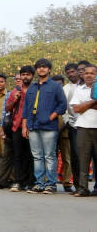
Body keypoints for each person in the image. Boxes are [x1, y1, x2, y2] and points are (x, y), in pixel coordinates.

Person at [22, 58, 67, 194]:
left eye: (44, 67)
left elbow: (62, 105)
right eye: (39, 67)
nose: (41, 69)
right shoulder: (32, 88)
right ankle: (39, 183)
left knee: (49, 156)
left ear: (49, 70)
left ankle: (51, 184)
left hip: (48, 126)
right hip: (33, 126)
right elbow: (26, 108)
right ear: (36, 70)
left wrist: (51, 117)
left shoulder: (55, 86)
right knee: (37, 156)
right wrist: (24, 127)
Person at [69, 64, 97, 197]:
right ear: (83, 75)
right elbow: (76, 109)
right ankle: (83, 188)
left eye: (92, 73)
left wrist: (84, 104)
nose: (89, 75)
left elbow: (81, 107)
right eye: (87, 73)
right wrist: (94, 101)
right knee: (83, 160)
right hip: (83, 127)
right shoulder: (79, 89)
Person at [63, 62, 80, 193]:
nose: (70, 74)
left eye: (72, 71)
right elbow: (64, 108)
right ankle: (79, 186)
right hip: (74, 127)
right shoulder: (66, 88)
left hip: (91, 125)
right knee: (75, 156)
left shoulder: (87, 85)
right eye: (68, 72)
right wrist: (68, 122)